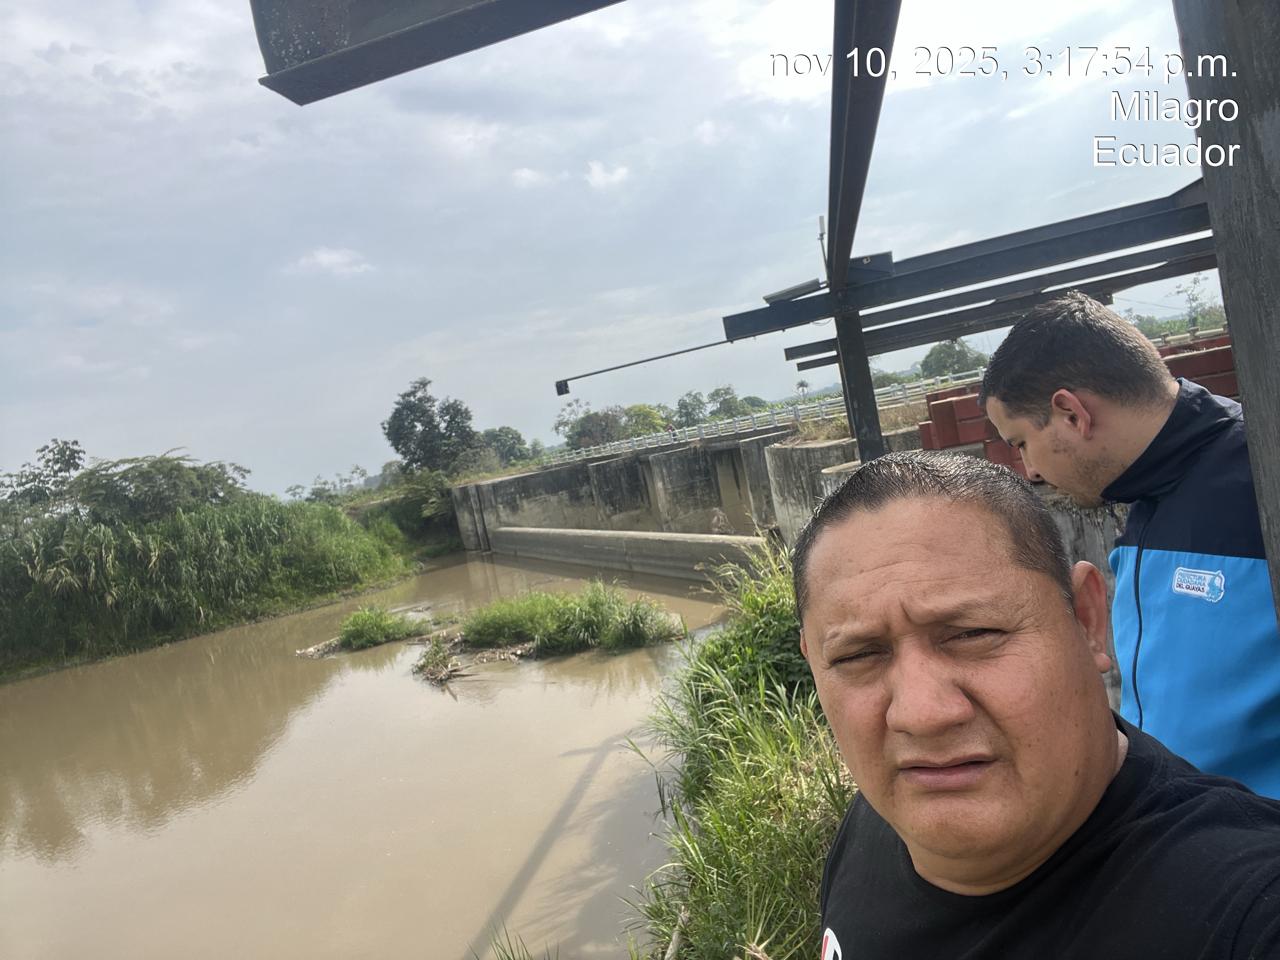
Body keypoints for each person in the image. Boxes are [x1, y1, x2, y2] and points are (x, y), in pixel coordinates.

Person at [793, 452, 1280, 959]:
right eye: (858, 655)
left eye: (973, 633)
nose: (921, 715)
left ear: (1086, 619)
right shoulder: (878, 818)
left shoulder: (1244, 909)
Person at [977, 291, 1280, 798]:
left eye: (1022, 443)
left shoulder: (1260, 476)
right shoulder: (1144, 499)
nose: (1029, 470)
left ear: (1071, 413)